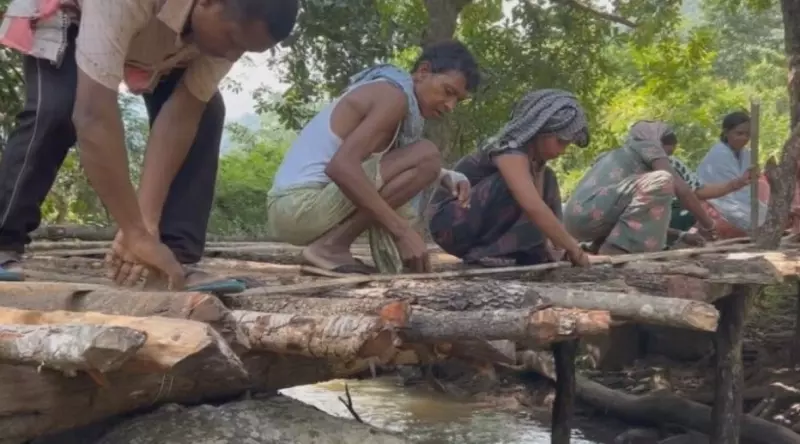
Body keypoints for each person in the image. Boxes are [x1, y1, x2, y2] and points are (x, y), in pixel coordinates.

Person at [0, 0, 299, 290]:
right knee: (57, 108)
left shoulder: (227, 34)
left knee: (207, 111)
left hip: (156, 33)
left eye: (245, 49)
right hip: (73, 13)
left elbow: (181, 115)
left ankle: (174, 255)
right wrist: (134, 232)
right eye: (233, 39)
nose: (232, 54)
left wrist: (146, 226)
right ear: (209, 2)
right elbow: (93, 115)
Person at [266, 40, 480, 274]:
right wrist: (402, 232)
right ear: (423, 71)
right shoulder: (392, 96)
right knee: (427, 154)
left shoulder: (397, 103)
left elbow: (383, 167)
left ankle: (331, 246)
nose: (450, 105)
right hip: (298, 206)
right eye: (448, 92)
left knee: (427, 160)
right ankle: (330, 247)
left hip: (295, 210)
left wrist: (443, 175)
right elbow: (342, 167)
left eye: (457, 100)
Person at [428, 89, 593, 267]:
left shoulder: (536, 162)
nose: (562, 151)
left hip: (473, 222)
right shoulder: (508, 150)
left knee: (549, 179)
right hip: (450, 224)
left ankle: (525, 253)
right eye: (560, 142)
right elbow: (533, 206)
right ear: (541, 131)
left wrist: (555, 246)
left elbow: (538, 212)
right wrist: (574, 249)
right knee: (514, 187)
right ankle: (488, 253)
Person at [564, 121, 718, 255]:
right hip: (591, 214)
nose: (667, 159)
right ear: (657, 143)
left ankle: (600, 248)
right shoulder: (648, 146)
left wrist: (681, 235)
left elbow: (637, 221)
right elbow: (682, 190)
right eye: (666, 154)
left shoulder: (617, 156)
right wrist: (710, 225)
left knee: (656, 187)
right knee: (663, 180)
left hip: (576, 220)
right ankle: (618, 251)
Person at [696, 111, 771, 239]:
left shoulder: (747, 154)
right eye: (739, 133)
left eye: (747, 134)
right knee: (750, 220)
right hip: (718, 200)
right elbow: (724, 194)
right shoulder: (719, 154)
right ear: (726, 132)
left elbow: (747, 188)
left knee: (770, 214)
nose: (744, 138)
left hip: (743, 199)